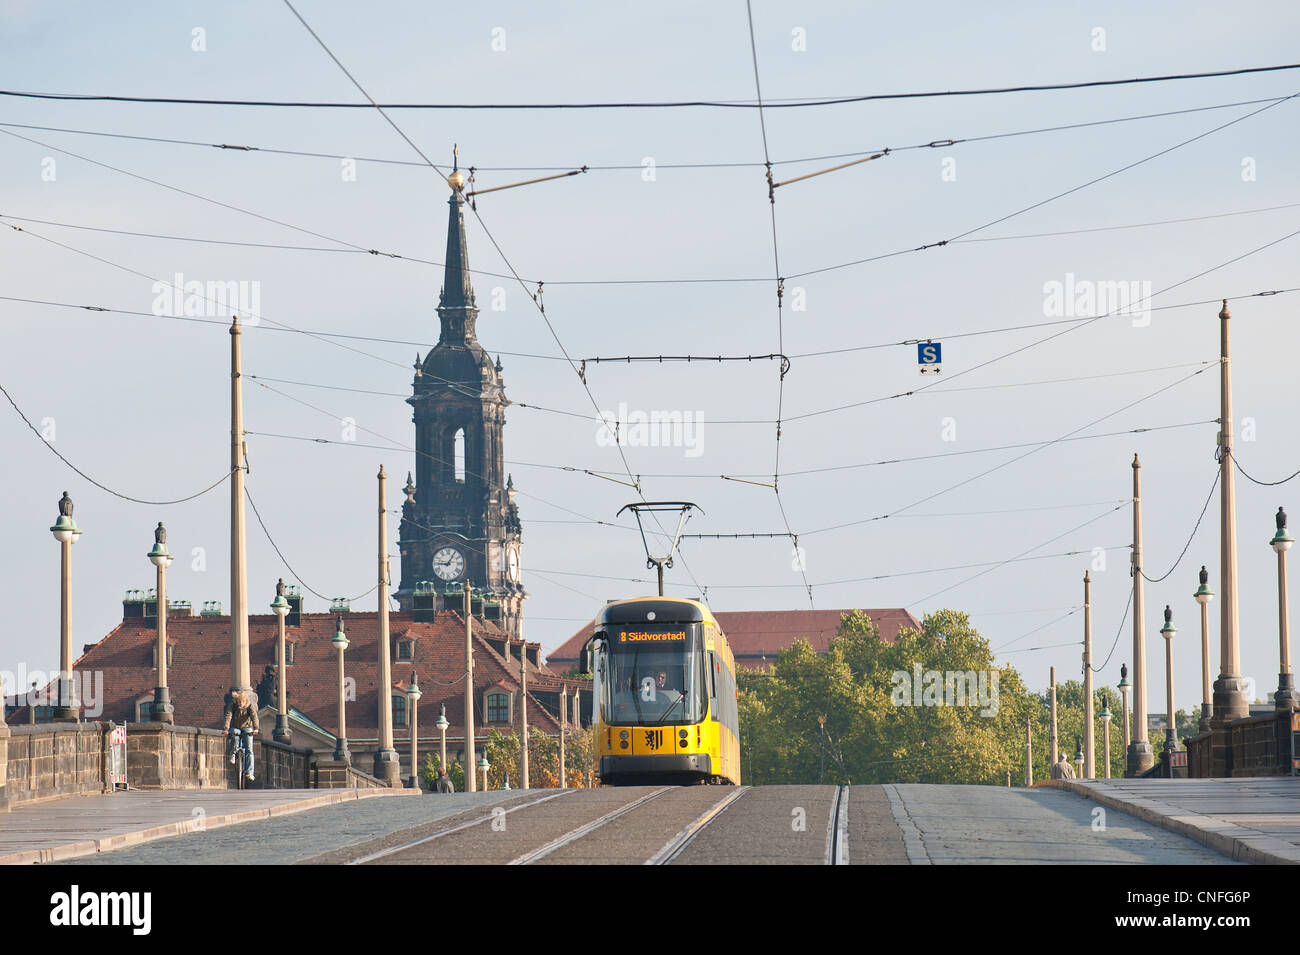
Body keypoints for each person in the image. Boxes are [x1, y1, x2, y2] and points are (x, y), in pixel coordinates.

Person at [222, 689, 260, 782]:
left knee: (249, 750)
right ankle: (233, 753)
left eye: (242, 701)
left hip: (247, 727)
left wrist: (256, 728)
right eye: (239, 701)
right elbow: (228, 716)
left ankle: (249, 772)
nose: (240, 703)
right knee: (235, 735)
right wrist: (226, 729)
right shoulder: (233, 706)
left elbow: (254, 717)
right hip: (236, 727)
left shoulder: (250, 706)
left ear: (245, 701)